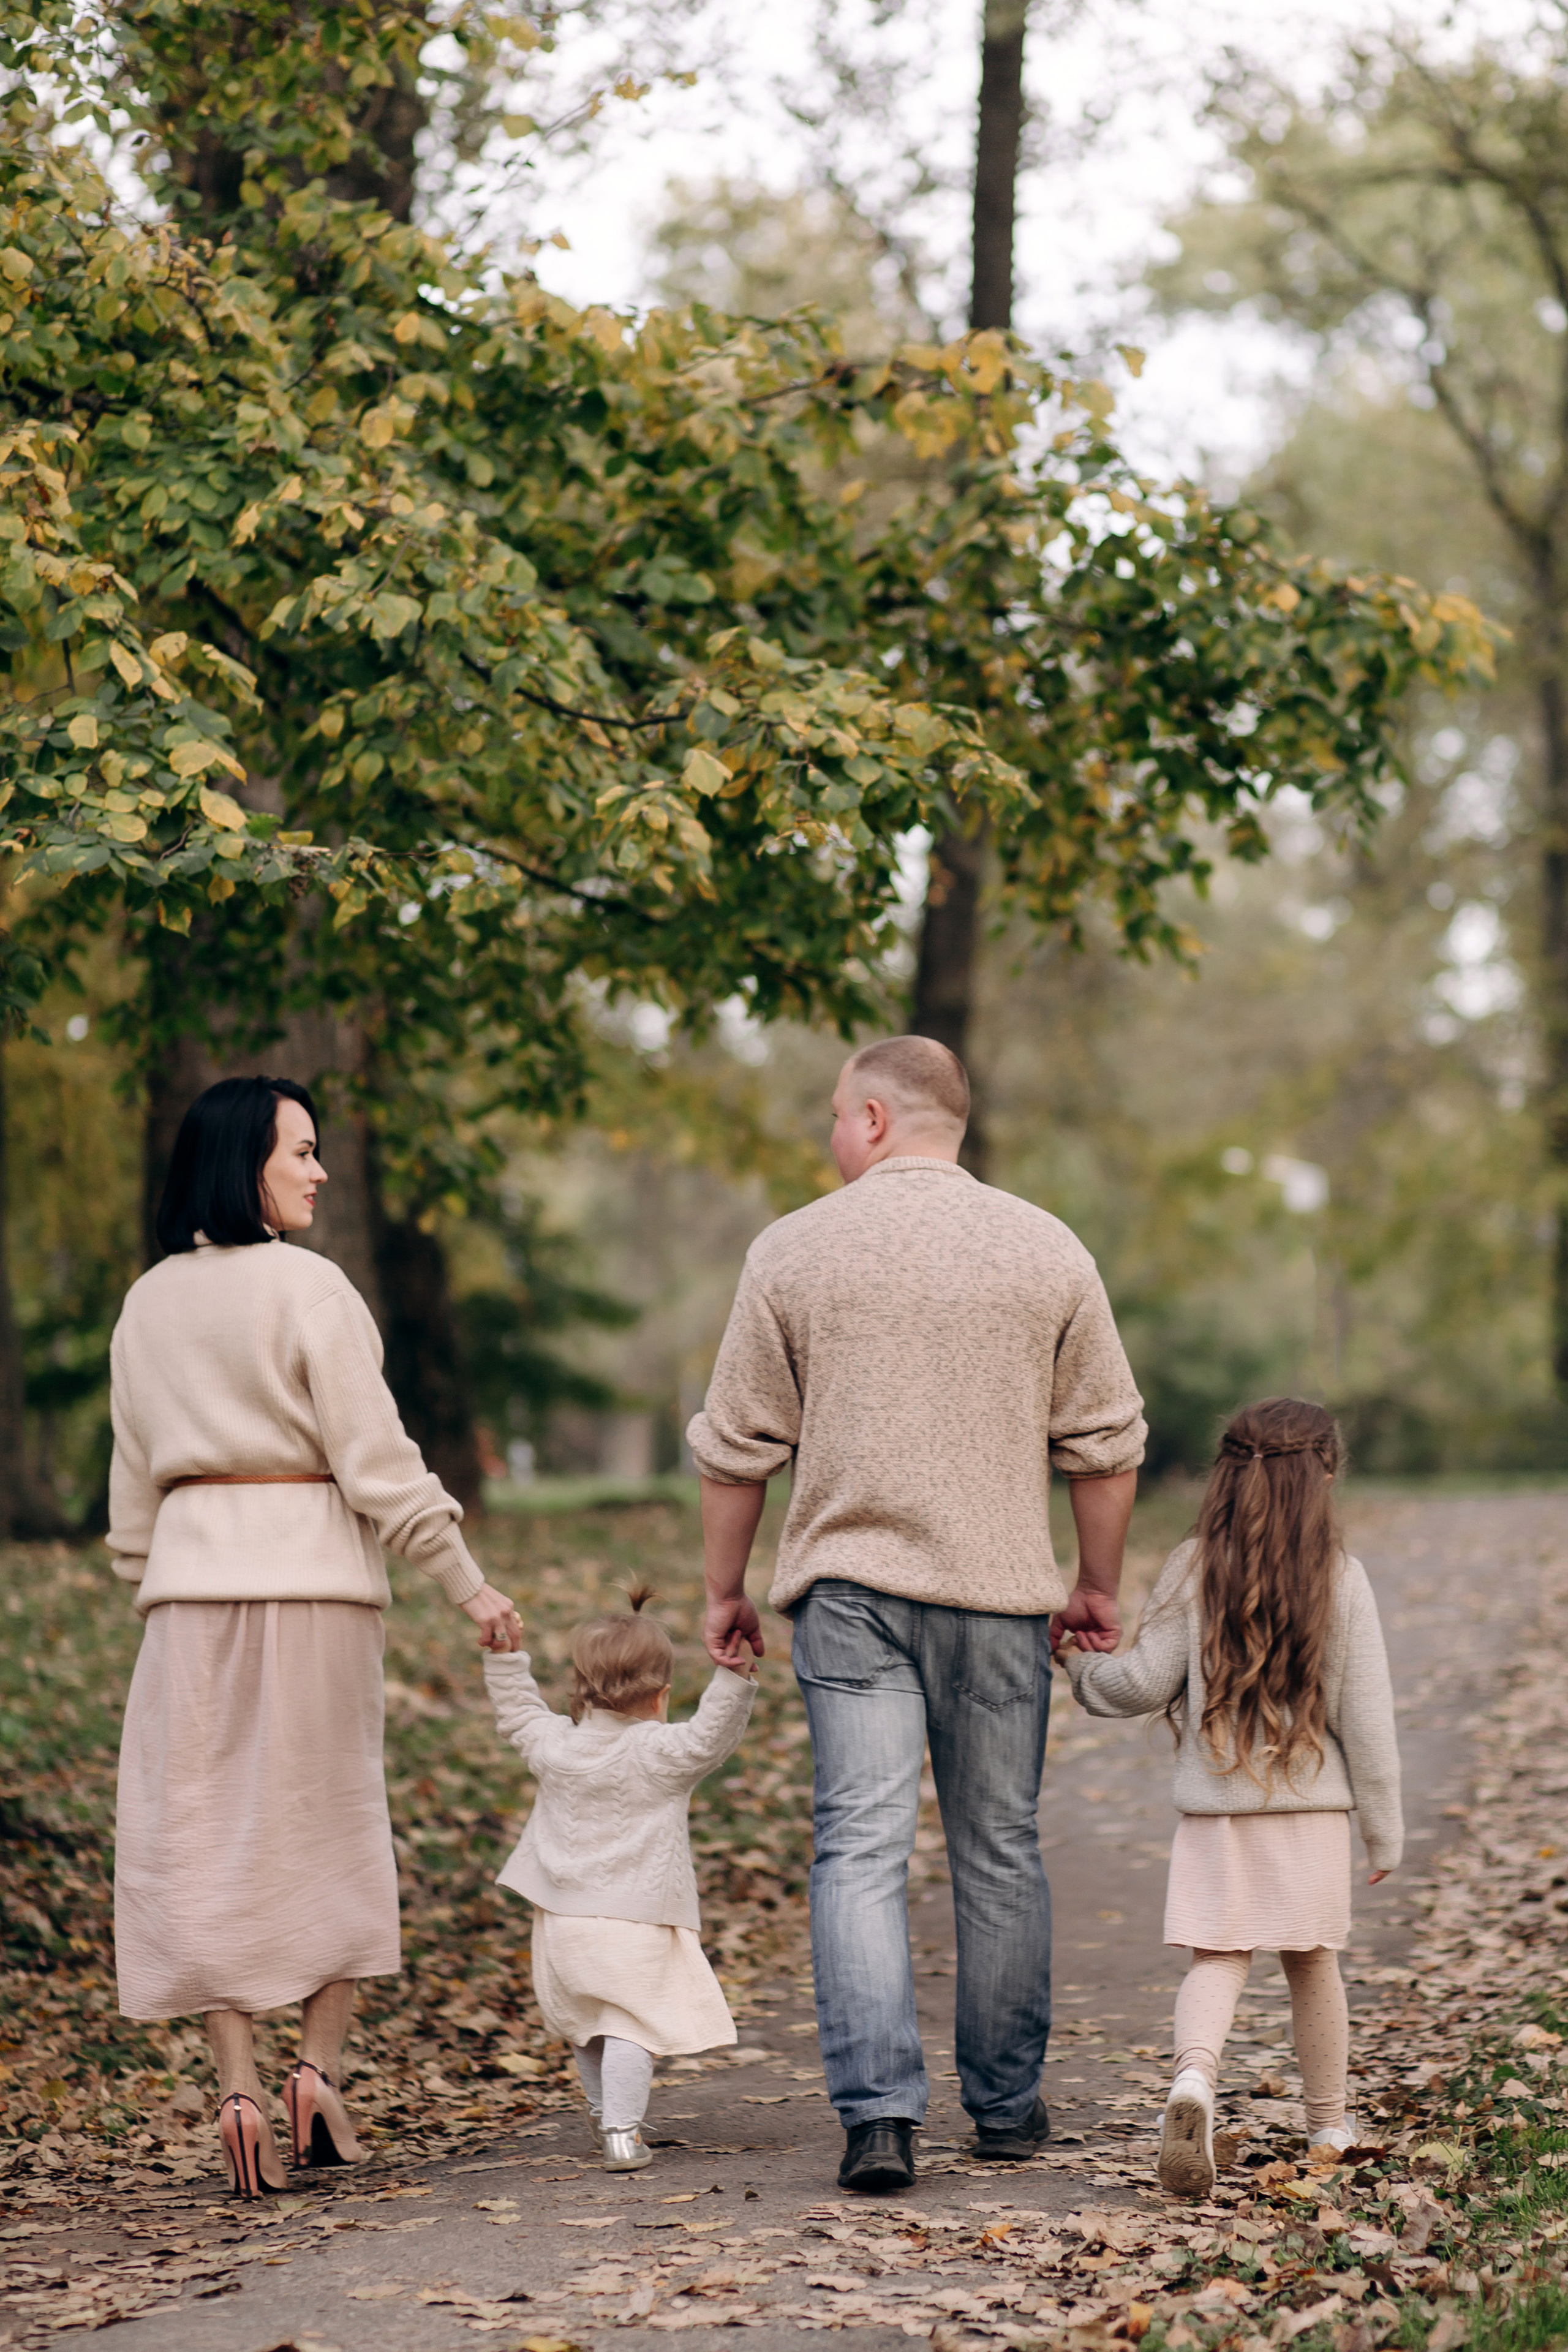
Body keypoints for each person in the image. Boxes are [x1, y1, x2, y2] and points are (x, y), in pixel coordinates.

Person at [687, 1035, 1147, 2193]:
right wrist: (1095, 1581)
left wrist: (723, 1589)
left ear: (880, 1119)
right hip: (999, 1598)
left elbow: (735, 1449)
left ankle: (880, 2121)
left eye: (838, 1115)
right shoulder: (1047, 1249)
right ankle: (1004, 2111)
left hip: (850, 1598)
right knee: (998, 1850)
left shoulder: (792, 1250)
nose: (830, 1135)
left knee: (857, 1848)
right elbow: (1105, 1444)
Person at [108, 1076, 522, 2198]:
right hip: (315, 1592)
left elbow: (130, 1501)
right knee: (331, 1821)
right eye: (301, 1149)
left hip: (188, 1598)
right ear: (247, 1162)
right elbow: (380, 1465)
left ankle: (239, 2090)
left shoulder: (146, 1305)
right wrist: (467, 1584)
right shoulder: (313, 1288)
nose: (320, 1170)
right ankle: (317, 2075)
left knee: (196, 1828)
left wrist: (163, 1580)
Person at [1060, 1396, 1402, 2197]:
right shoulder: (1342, 1579)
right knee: (1314, 1963)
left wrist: (1076, 1664)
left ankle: (1192, 2086)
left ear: (1228, 1476)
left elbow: (1140, 1684)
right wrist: (1384, 1833)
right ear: (1322, 1477)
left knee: (1218, 1960)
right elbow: (1370, 1722)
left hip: (1216, 1817)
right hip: (1310, 1814)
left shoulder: (1192, 1567)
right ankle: (1327, 2123)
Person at [483, 1584, 756, 2171]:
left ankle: (603, 2117)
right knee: (632, 2025)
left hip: (562, 1921)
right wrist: (732, 1677)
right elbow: (712, 1735)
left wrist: (506, 1658)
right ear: (660, 1696)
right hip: (635, 1918)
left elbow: (519, 1714)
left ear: (579, 1689)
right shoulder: (661, 1753)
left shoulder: (555, 1746)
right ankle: (622, 2133)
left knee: (589, 2025)